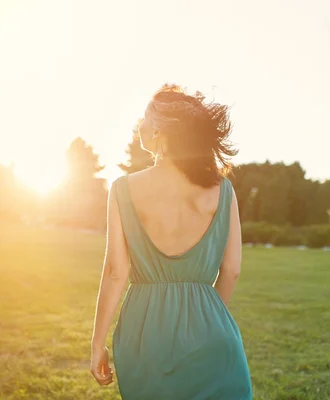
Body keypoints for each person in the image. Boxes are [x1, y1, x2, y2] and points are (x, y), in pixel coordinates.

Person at [89, 84, 253, 399]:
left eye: (145, 118)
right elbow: (231, 270)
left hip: (144, 334)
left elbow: (115, 273)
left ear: (161, 130)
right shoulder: (223, 190)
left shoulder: (123, 189)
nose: (139, 125)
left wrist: (98, 344)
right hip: (212, 331)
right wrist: (204, 318)